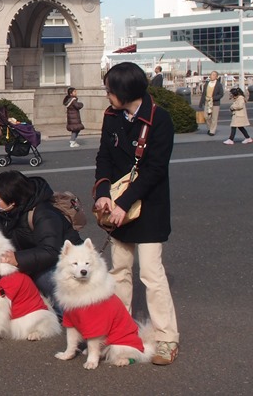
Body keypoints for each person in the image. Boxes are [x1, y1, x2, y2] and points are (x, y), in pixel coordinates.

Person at [94, 61, 180, 365]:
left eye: (110, 90)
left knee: (151, 274)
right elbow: (104, 155)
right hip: (117, 205)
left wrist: (123, 203)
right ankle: (121, 332)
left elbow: (154, 170)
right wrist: (104, 194)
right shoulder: (111, 116)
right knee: (119, 270)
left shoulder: (160, 119)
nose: (107, 95)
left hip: (149, 207)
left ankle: (166, 338)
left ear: (125, 90)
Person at [0, 170, 82, 315]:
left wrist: (18, 259)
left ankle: (72, 314)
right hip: (33, 256)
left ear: (12, 201)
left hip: (62, 261)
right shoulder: (4, 213)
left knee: (44, 278)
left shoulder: (44, 213)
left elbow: (50, 251)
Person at [199, 71, 224, 136]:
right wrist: (201, 102)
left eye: (213, 75)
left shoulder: (218, 85)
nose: (211, 76)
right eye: (211, 74)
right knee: (206, 116)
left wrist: (213, 98)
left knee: (214, 118)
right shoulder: (207, 84)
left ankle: (212, 131)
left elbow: (221, 94)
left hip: (215, 103)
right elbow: (204, 93)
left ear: (216, 77)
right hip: (207, 102)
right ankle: (210, 128)